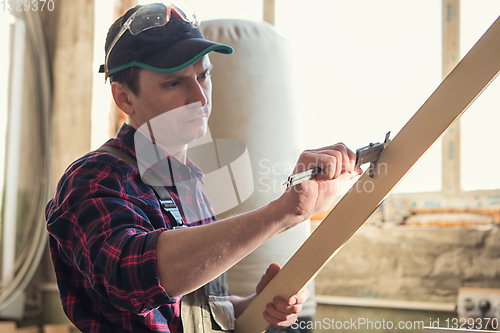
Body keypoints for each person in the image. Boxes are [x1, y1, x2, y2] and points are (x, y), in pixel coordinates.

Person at [45, 3, 362, 333]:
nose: (200, 97)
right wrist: (281, 213)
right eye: (174, 83)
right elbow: (132, 277)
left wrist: (260, 303)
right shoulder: (94, 178)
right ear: (124, 98)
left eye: (204, 76)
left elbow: (202, 305)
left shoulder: (190, 180)